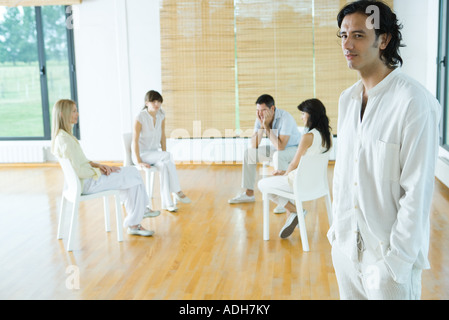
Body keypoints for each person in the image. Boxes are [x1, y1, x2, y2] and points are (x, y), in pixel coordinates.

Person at [329, 1, 441, 300]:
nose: (347, 44)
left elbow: (417, 191)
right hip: (345, 248)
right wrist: (336, 234)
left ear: (384, 39)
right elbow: (343, 173)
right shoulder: (347, 100)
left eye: (358, 35)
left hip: (387, 259)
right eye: (343, 35)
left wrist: (397, 263)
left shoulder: (413, 102)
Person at [51, 99, 159, 237]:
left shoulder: (63, 136)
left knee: (132, 176)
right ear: (62, 114)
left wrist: (99, 165)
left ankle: (137, 218)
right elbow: (79, 171)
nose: (77, 114)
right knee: (133, 174)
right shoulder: (65, 140)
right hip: (88, 183)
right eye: (73, 111)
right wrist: (99, 171)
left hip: (88, 180)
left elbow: (80, 162)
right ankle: (139, 215)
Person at [258, 99, 332, 238]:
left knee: (263, 185)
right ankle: (294, 212)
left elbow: (294, 164)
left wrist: (284, 175)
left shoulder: (307, 137)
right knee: (275, 183)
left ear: (311, 115)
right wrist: (283, 173)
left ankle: (295, 211)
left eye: (303, 113)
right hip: (317, 184)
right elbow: (306, 165)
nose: (302, 117)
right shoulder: (327, 136)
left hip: (299, 183)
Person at [228, 94, 302, 212]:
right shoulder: (260, 118)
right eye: (258, 110)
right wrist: (262, 126)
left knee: (278, 155)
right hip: (278, 148)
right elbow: (254, 145)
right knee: (249, 153)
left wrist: (266, 126)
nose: (260, 113)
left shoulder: (285, 118)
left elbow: (281, 146)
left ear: (272, 108)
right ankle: (249, 194)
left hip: (294, 150)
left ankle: (285, 200)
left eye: (263, 110)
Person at [132, 90, 190, 212]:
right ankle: (177, 190)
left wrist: (164, 155)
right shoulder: (140, 117)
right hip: (142, 154)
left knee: (164, 166)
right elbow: (134, 141)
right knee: (167, 157)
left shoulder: (161, 115)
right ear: (147, 103)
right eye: (153, 101)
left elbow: (163, 136)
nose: (156, 104)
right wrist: (138, 161)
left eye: (159, 101)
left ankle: (167, 203)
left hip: (155, 154)